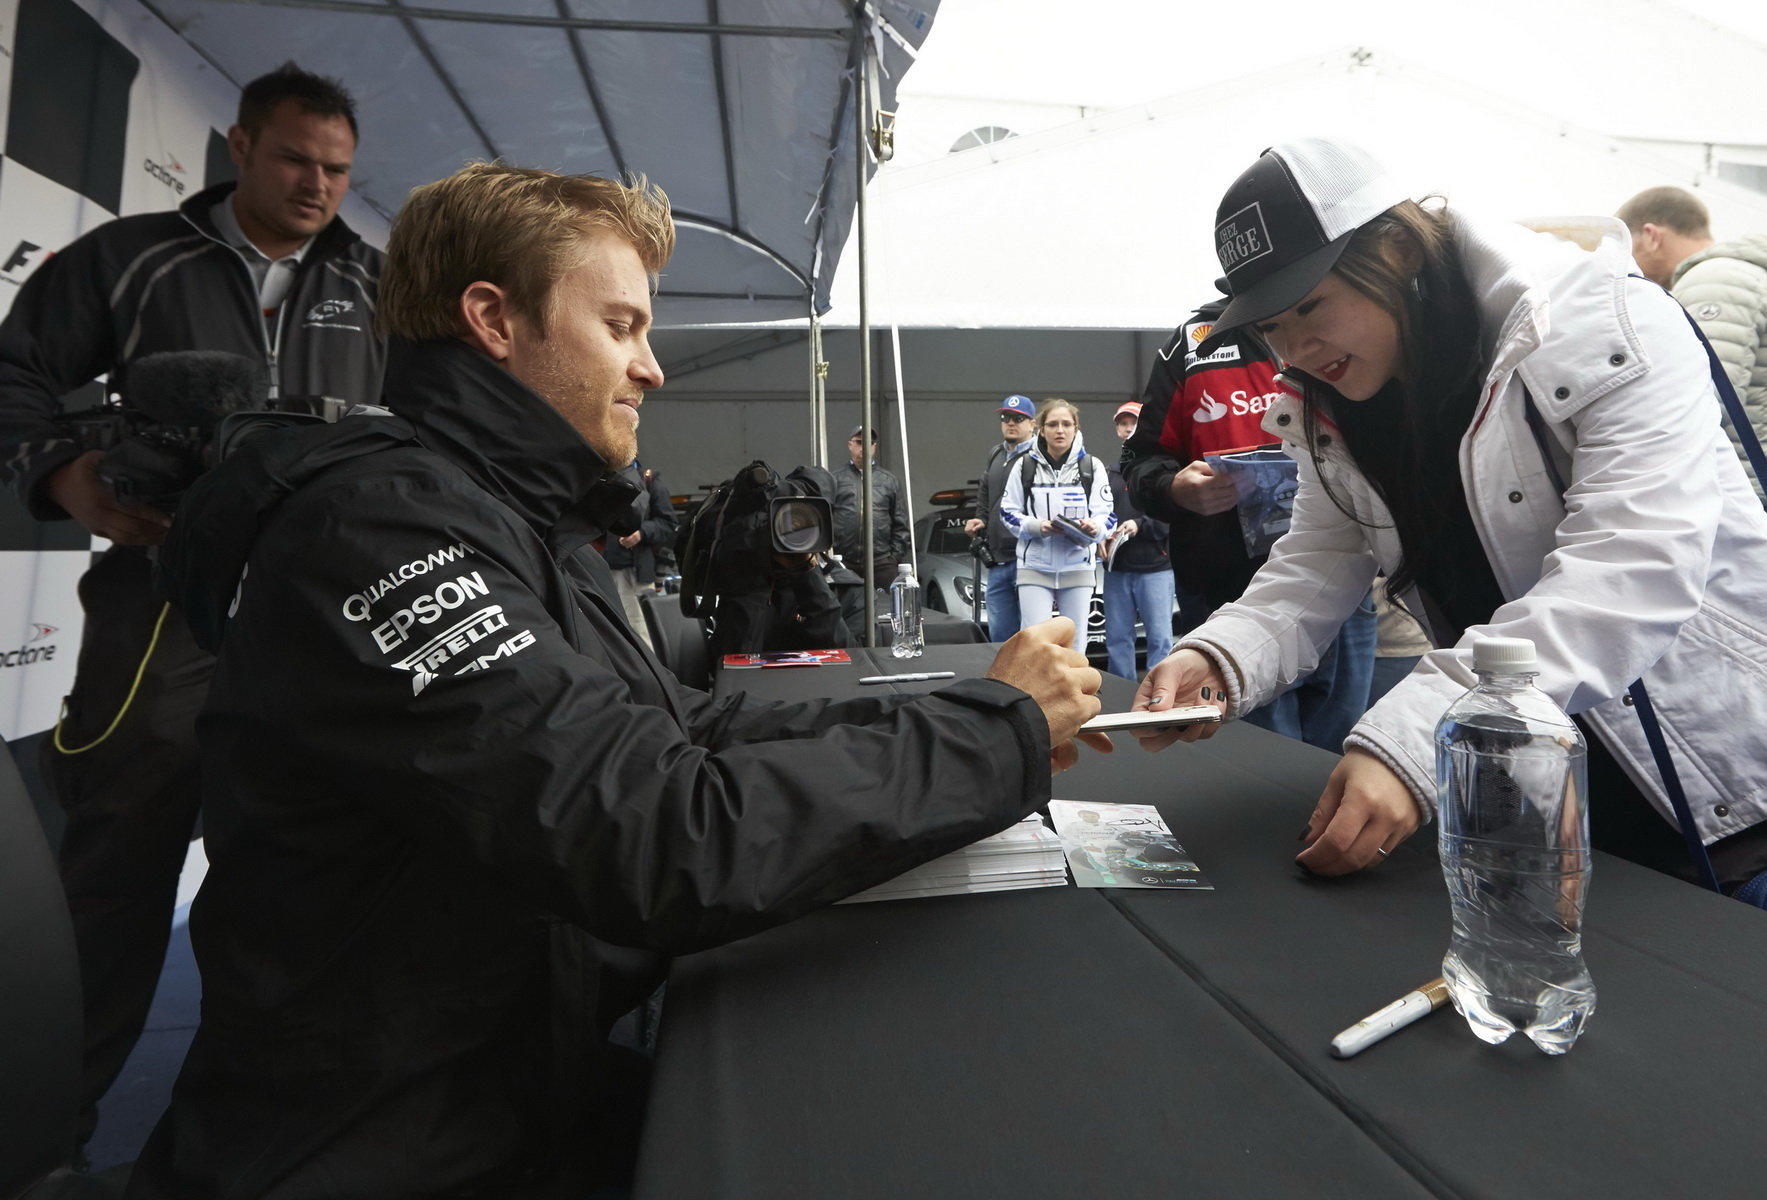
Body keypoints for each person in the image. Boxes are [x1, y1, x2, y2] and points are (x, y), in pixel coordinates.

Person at [130, 163, 1105, 1198]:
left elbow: (691, 727)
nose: (652, 371)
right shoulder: (375, 530)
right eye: (622, 326)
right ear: (493, 320)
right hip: (383, 1147)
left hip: (518, 1085)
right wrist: (990, 738)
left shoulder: (509, 521)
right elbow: (659, 830)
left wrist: (967, 712)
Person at [1135, 137, 1767, 891]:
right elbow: (1317, 562)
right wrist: (1220, 656)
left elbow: (1629, 569)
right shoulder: (1332, 401)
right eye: (1269, 327)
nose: (1292, 349)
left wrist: (1416, 733)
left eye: (1311, 306)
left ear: (1396, 250)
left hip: (1736, 774)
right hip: (1544, 782)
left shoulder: (1608, 318)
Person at [0, 62, 383, 1151]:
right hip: (161, 607)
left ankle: (291, 1135)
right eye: (296, 160)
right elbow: (14, 376)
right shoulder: (126, 260)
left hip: (325, 617)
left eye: (339, 171)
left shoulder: (380, 282)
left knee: (312, 874)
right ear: (237, 146)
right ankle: (40, 1135)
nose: (318, 186)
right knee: (116, 871)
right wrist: (65, 474)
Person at [1119, 297, 1377, 753]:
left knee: (1341, 749)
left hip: (1346, 584)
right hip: (1228, 591)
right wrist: (1174, 488)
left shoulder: (1347, 327)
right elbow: (1139, 462)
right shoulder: (1193, 344)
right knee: (1266, 756)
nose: (1295, 341)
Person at [1617, 186, 1767, 485]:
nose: (1626, 266)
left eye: (1627, 251)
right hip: (1739, 486)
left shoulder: (1713, 280)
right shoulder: (1727, 277)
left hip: (1720, 490)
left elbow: (1702, 397)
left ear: (1652, 236)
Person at [1000, 398, 1115, 655]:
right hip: (1035, 566)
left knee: (1074, 643)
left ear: (1076, 428)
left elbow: (1107, 515)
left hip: (1077, 564)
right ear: (1041, 429)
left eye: (1066, 424)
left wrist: (1093, 527)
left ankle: (1074, 693)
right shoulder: (1024, 466)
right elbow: (1007, 512)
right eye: (1052, 424)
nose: (1059, 430)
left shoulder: (1091, 467)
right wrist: (1036, 526)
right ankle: (1034, 693)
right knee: (1035, 642)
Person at [1101, 400, 1174, 679]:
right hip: (1116, 569)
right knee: (1118, 640)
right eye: (1123, 423)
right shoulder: (1108, 474)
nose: (1128, 428)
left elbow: (1171, 516)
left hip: (1155, 567)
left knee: (1160, 639)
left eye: (1134, 423)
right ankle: (1122, 694)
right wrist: (1101, 533)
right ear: (1118, 430)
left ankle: (1159, 694)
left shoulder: (1163, 468)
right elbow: (1097, 513)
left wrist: (1139, 525)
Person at [963, 394, 1038, 640]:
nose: (1011, 422)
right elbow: (985, 491)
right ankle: (1005, 679)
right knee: (1000, 637)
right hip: (997, 560)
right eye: (1006, 417)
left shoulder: (1040, 456)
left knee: (1031, 635)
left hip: (1028, 559)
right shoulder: (996, 453)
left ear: (1032, 423)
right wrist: (981, 518)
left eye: (1019, 418)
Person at [598, 459, 677, 643]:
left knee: (641, 631)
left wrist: (641, 533)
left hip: (635, 572)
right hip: (603, 570)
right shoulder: (600, 479)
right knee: (615, 632)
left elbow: (668, 523)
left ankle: (650, 671)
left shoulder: (649, 482)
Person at [830, 425, 912, 591]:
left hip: (881, 563)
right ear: (850, 445)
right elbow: (825, 519)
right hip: (844, 562)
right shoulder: (834, 480)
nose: (864, 446)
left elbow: (901, 522)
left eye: (869, 442)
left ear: (874, 446)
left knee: (887, 613)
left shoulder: (889, 481)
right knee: (844, 613)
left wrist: (893, 557)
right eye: (859, 442)